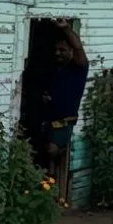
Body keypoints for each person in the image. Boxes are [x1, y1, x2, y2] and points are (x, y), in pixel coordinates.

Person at [40, 20, 88, 172]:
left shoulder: (78, 69)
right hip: (48, 121)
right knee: (46, 154)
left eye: (62, 50)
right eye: (56, 50)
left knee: (51, 151)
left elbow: (79, 48)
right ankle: (49, 184)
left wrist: (66, 28)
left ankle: (52, 181)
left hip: (63, 122)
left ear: (71, 52)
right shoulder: (56, 70)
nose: (57, 53)